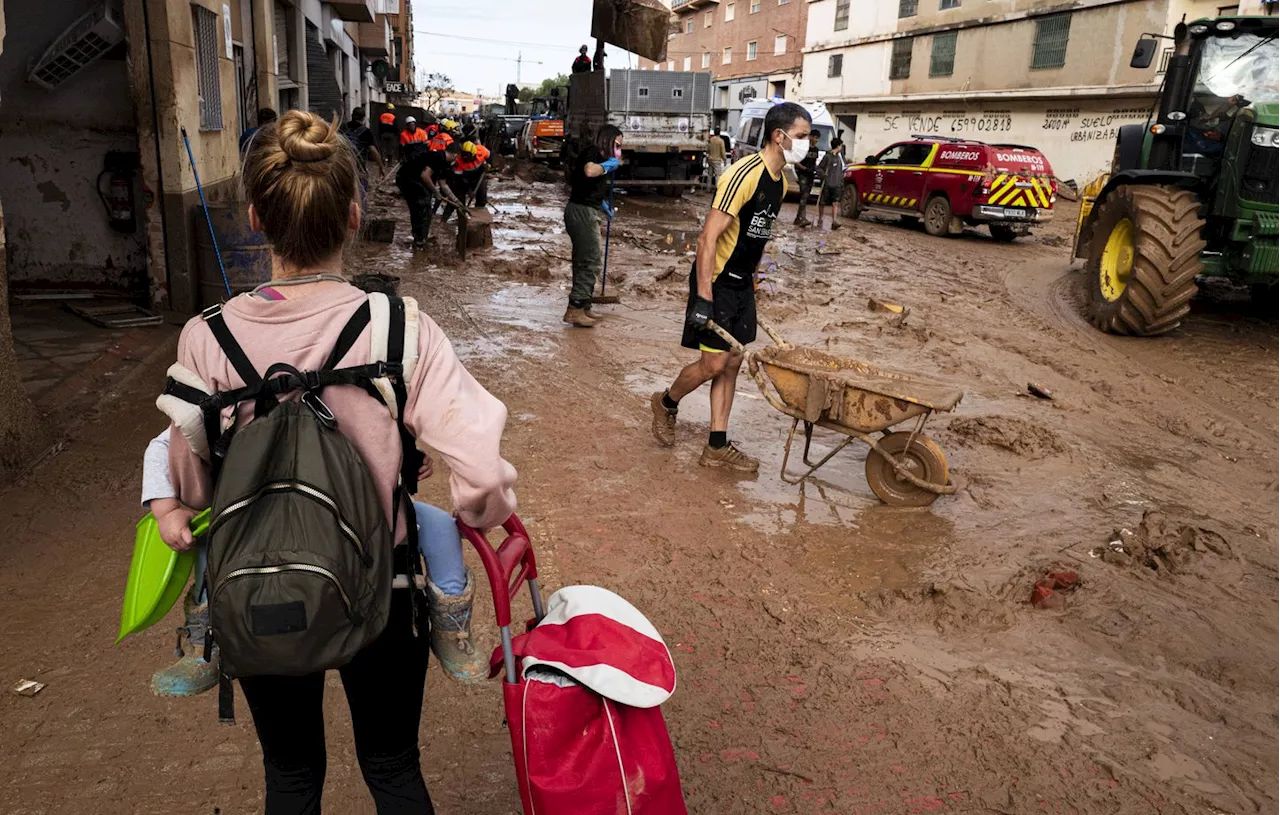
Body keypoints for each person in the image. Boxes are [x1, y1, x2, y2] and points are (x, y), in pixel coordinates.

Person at [150, 109, 517, 811]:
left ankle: (199, 641)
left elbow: (191, 481)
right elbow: (481, 473)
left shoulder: (207, 337)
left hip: (260, 590)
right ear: (354, 214)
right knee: (392, 765)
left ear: (256, 216)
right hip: (385, 590)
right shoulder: (400, 326)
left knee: (290, 776)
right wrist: (470, 508)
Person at [649, 102, 813, 472]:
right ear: (779, 135)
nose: (807, 144)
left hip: (740, 284)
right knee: (714, 363)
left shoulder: (780, 181)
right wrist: (704, 296)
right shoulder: (744, 175)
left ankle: (716, 446)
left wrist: (753, 283)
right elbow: (707, 238)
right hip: (717, 281)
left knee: (733, 361)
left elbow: (758, 238)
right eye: (802, 137)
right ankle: (665, 403)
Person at [563, 125, 623, 327]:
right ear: (607, 140)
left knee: (583, 260)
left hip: (587, 208)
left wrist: (603, 205)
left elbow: (588, 186)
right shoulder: (593, 153)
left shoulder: (601, 156)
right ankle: (575, 308)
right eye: (616, 144)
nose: (618, 150)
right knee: (591, 261)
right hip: (581, 212)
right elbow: (589, 171)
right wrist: (608, 165)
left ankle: (584, 305)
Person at [399, 139, 465, 250]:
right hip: (408, 180)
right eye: (457, 157)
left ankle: (419, 238)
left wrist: (456, 201)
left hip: (416, 181)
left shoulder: (444, 164)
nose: (456, 160)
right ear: (455, 155)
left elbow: (444, 185)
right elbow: (425, 175)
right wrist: (435, 192)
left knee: (424, 209)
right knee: (422, 209)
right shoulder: (438, 157)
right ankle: (420, 241)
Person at [341, 107, 385, 177]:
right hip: (358, 166)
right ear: (363, 118)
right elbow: (373, 150)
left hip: (341, 165)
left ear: (352, 116)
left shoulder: (342, 128)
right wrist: (381, 166)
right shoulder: (366, 132)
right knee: (361, 184)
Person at [815, 137, 846, 231]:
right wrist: (823, 175)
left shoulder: (840, 157)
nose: (841, 148)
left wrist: (841, 182)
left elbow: (841, 170)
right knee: (822, 202)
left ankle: (834, 221)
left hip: (837, 184)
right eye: (840, 146)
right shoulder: (827, 156)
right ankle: (820, 219)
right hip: (827, 183)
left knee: (835, 203)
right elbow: (819, 168)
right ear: (838, 146)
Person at [793, 130, 820, 227]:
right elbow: (795, 160)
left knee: (806, 196)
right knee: (804, 195)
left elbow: (814, 163)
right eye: (815, 137)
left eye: (817, 138)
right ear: (811, 137)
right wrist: (802, 167)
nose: (816, 140)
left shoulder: (816, 150)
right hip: (802, 174)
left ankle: (798, 218)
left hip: (811, 175)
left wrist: (818, 170)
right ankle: (802, 218)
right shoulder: (803, 148)